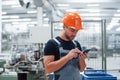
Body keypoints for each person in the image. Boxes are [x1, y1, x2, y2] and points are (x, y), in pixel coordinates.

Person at [43, 12, 87, 80]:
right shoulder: (52, 44)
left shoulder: (76, 44)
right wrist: (68, 57)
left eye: (77, 31)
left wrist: (82, 59)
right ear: (64, 27)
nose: (74, 34)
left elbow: (81, 69)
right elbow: (48, 69)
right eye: (72, 30)